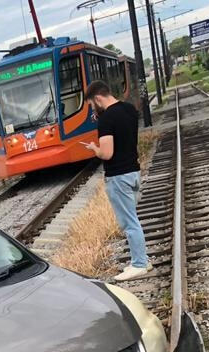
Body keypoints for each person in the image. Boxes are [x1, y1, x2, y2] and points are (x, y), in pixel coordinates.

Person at [80, 80, 149, 281]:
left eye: (92, 104)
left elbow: (107, 153)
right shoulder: (129, 109)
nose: (93, 108)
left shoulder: (107, 120)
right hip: (133, 172)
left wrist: (94, 148)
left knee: (129, 223)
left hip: (118, 176)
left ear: (98, 98)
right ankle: (141, 258)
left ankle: (139, 264)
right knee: (133, 219)